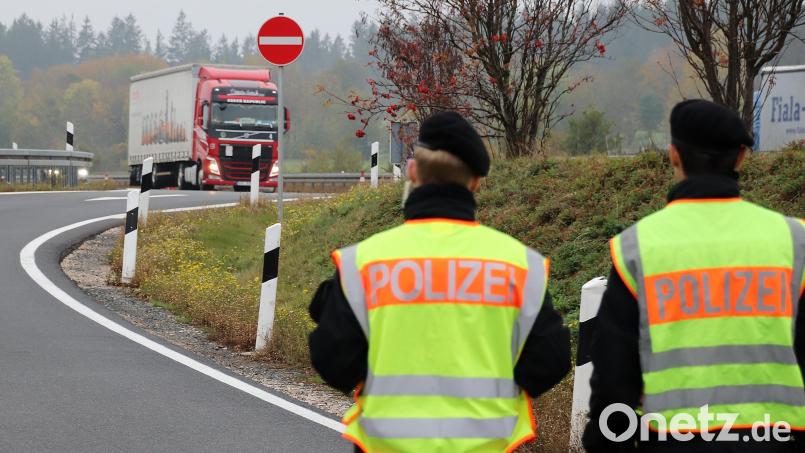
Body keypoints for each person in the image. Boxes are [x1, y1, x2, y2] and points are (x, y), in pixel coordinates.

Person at [308, 111, 571, 452]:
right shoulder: (518, 265)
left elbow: (333, 359)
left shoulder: (366, 262)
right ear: (476, 181)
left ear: (413, 172)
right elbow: (551, 359)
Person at [583, 99, 805, 452]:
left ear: (673, 155)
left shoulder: (638, 248)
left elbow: (614, 378)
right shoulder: (794, 242)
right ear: (741, 158)